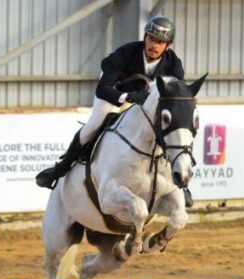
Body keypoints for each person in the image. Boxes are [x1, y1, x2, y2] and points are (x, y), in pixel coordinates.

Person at [35, 16, 193, 207]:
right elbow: (103, 89)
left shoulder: (173, 63)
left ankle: (182, 184)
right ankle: (60, 169)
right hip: (115, 94)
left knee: (176, 131)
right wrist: (126, 97)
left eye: (159, 42)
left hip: (145, 103)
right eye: (150, 38)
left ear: (168, 46)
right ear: (145, 37)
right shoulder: (125, 54)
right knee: (94, 124)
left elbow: (177, 97)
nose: (153, 45)